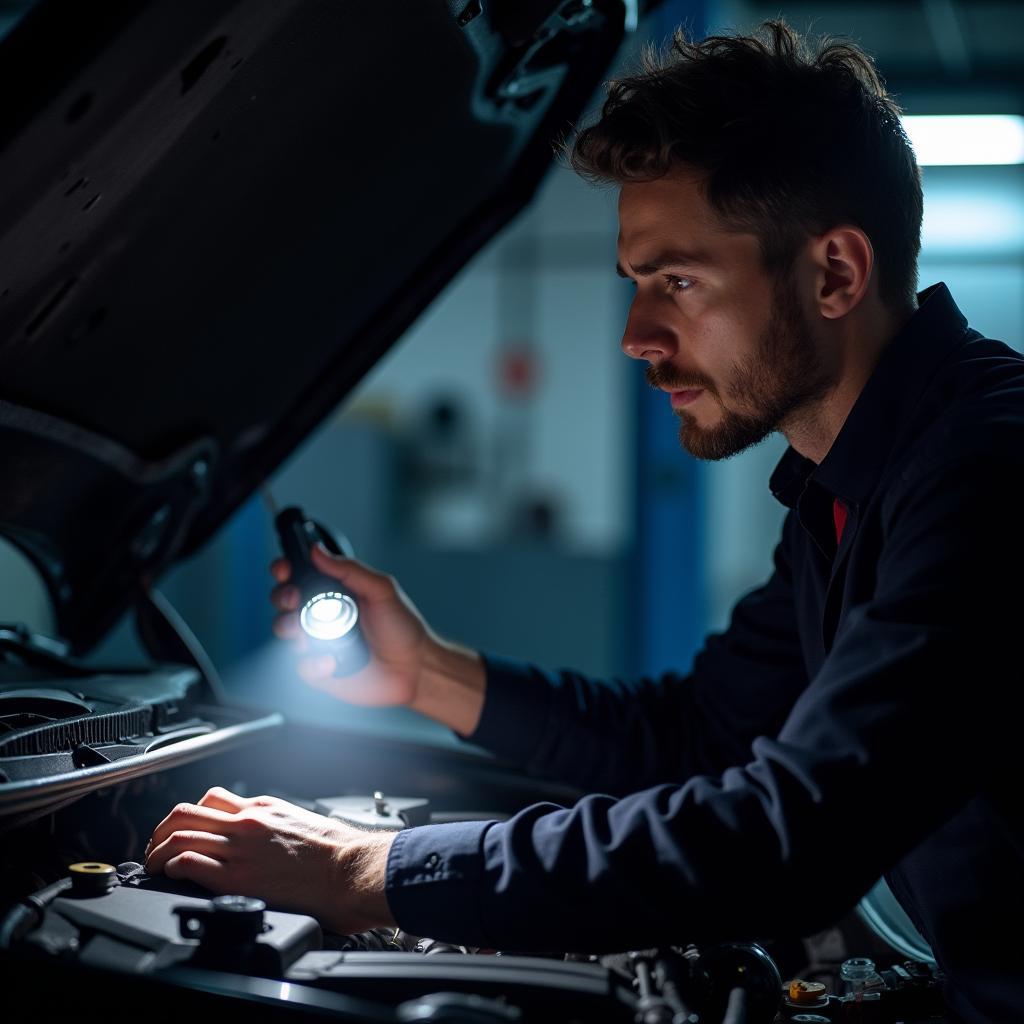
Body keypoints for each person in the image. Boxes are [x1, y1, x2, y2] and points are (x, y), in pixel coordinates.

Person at [143, 22, 1024, 1021]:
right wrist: (426, 670)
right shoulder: (842, 492)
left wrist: (371, 869)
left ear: (832, 273)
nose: (636, 337)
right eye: (636, 284)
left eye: (677, 282)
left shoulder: (984, 472)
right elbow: (701, 736)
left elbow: (792, 834)